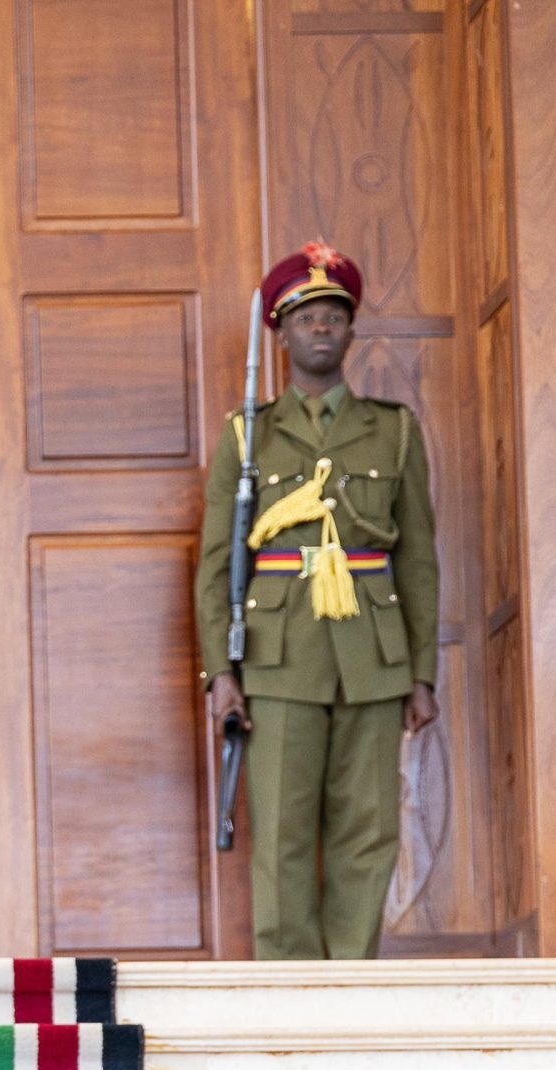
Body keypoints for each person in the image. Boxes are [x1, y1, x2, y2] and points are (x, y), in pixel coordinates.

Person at [198, 241, 441, 960]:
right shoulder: (248, 434)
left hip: (373, 652)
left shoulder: (392, 430)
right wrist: (222, 673)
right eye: (308, 317)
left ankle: (352, 987)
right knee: (281, 830)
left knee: (369, 828)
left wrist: (422, 672)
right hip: (278, 657)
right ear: (281, 334)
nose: (323, 328)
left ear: (351, 329)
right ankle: (289, 993)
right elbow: (217, 566)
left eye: (335, 314)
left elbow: (419, 558)